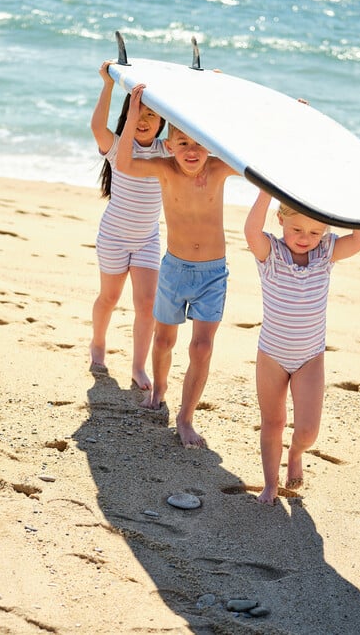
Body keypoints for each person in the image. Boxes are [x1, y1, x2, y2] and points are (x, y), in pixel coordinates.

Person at [116, 83, 238, 448]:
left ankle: (185, 418)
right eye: (183, 143)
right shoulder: (164, 169)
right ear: (169, 146)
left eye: (199, 143)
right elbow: (122, 162)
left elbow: (259, 159)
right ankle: (160, 389)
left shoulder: (218, 169)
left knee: (201, 348)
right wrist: (135, 113)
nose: (192, 151)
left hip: (213, 273)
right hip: (173, 270)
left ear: (210, 146)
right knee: (165, 339)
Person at [244, 189, 360, 504]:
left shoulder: (325, 252)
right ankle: (271, 485)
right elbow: (250, 231)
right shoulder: (270, 254)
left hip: (309, 358)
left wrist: (358, 196)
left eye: (315, 231)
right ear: (281, 220)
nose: (305, 237)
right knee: (273, 423)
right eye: (297, 229)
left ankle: (296, 452)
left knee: (308, 431)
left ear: (326, 230)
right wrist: (264, 191)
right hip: (272, 354)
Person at [89, 61, 169, 390]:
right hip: (113, 237)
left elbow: (197, 141)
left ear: (164, 122)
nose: (145, 120)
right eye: (140, 112)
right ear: (129, 114)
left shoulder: (167, 152)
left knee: (147, 305)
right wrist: (107, 84)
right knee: (109, 297)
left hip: (148, 239)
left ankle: (138, 367)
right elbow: (96, 127)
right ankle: (97, 343)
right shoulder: (119, 149)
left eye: (153, 114)